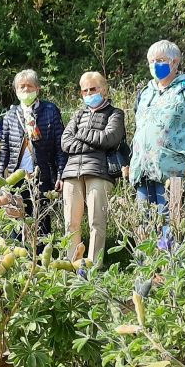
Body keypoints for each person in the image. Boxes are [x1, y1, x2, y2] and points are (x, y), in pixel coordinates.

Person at [129, 40, 185, 214]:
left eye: (160, 60)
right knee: (144, 225)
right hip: (142, 171)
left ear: (175, 62)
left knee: (170, 224)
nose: (155, 65)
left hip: (173, 172)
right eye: (152, 61)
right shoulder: (145, 93)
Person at [60, 72, 125, 264]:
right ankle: (72, 265)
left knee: (97, 222)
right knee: (70, 222)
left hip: (99, 171)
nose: (89, 93)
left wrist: (81, 133)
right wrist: (94, 141)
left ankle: (94, 265)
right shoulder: (78, 114)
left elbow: (110, 138)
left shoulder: (115, 113)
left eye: (93, 89)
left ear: (103, 89)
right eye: (85, 90)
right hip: (71, 172)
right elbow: (65, 142)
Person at [0, 70, 65, 233]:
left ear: (37, 88)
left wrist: (60, 173)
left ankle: (41, 249)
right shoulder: (10, 115)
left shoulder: (50, 110)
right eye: (22, 86)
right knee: (16, 221)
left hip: (42, 174)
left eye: (29, 86)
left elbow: (59, 145)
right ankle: (19, 248)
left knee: (41, 220)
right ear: (16, 90)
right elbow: (4, 149)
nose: (26, 89)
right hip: (16, 176)